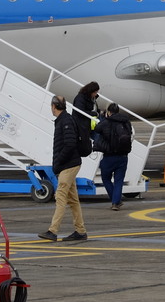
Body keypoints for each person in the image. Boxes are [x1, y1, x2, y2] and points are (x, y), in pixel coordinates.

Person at [39, 95, 87, 242]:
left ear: (54, 106)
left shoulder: (65, 121)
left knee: (60, 196)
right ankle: (80, 231)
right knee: (73, 199)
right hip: (69, 164)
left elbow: (70, 144)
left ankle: (53, 231)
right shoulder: (64, 120)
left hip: (69, 165)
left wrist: (58, 162)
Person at [94, 102, 134, 210]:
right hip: (123, 156)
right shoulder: (126, 122)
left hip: (109, 155)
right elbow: (130, 133)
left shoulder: (106, 122)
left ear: (109, 112)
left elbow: (97, 129)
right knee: (119, 180)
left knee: (106, 178)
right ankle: (116, 202)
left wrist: (103, 117)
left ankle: (115, 201)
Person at [72, 81, 100, 148]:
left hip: (86, 124)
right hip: (80, 124)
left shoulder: (91, 99)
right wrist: (94, 113)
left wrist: (98, 113)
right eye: (95, 92)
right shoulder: (81, 98)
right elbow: (80, 111)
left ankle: (97, 145)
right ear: (91, 91)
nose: (96, 94)